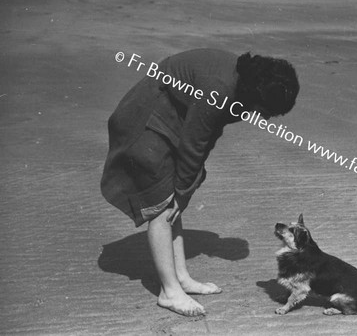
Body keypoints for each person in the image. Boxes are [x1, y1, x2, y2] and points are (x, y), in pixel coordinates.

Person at [101, 49, 299, 316]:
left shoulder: (244, 87)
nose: (264, 119)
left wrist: (187, 187)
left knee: (175, 200)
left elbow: (209, 131)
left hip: (174, 115)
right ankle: (169, 293)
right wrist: (183, 189)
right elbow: (195, 141)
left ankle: (181, 279)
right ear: (257, 94)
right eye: (265, 112)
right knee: (162, 206)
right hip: (145, 117)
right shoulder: (219, 87)